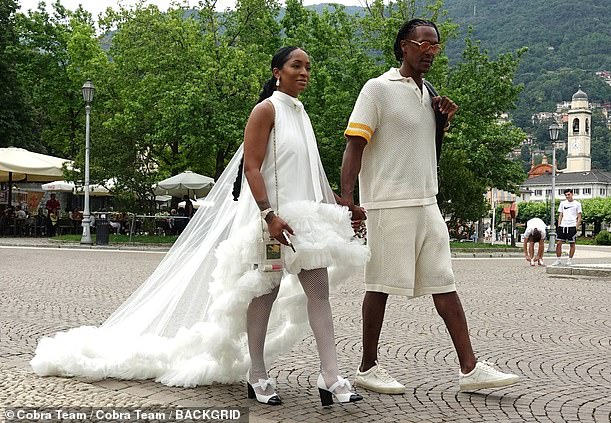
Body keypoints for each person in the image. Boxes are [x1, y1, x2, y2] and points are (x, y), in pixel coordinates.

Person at [31, 46, 368, 408]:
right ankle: (257, 374)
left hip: (306, 225)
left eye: (307, 67)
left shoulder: (301, 113)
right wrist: (268, 215)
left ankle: (330, 376)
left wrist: (342, 206)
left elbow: (310, 174)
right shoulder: (266, 110)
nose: (304, 72)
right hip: (269, 223)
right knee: (263, 294)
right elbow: (253, 168)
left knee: (319, 294)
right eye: (295, 66)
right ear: (276, 72)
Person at [340, 18, 520, 394]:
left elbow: (426, 151)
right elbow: (354, 146)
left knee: (445, 283)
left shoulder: (430, 94)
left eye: (435, 45)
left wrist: (442, 122)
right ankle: (367, 366)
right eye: (423, 44)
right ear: (403, 46)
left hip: (428, 201)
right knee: (379, 285)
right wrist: (348, 199)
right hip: (388, 203)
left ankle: (470, 369)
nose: (430, 51)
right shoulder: (377, 89)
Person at [554, 188, 582, 266]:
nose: (567, 196)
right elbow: (560, 215)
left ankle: (569, 260)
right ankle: (558, 260)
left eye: (568, 194)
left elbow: (579, 216)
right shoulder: (562, 203)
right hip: (563, 225)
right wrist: (559, 225)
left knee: (572, 243)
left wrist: (576, 226)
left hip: (572, 225)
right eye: (566, 195)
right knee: (559, 243)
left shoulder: (577, 204)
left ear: (572, 194)